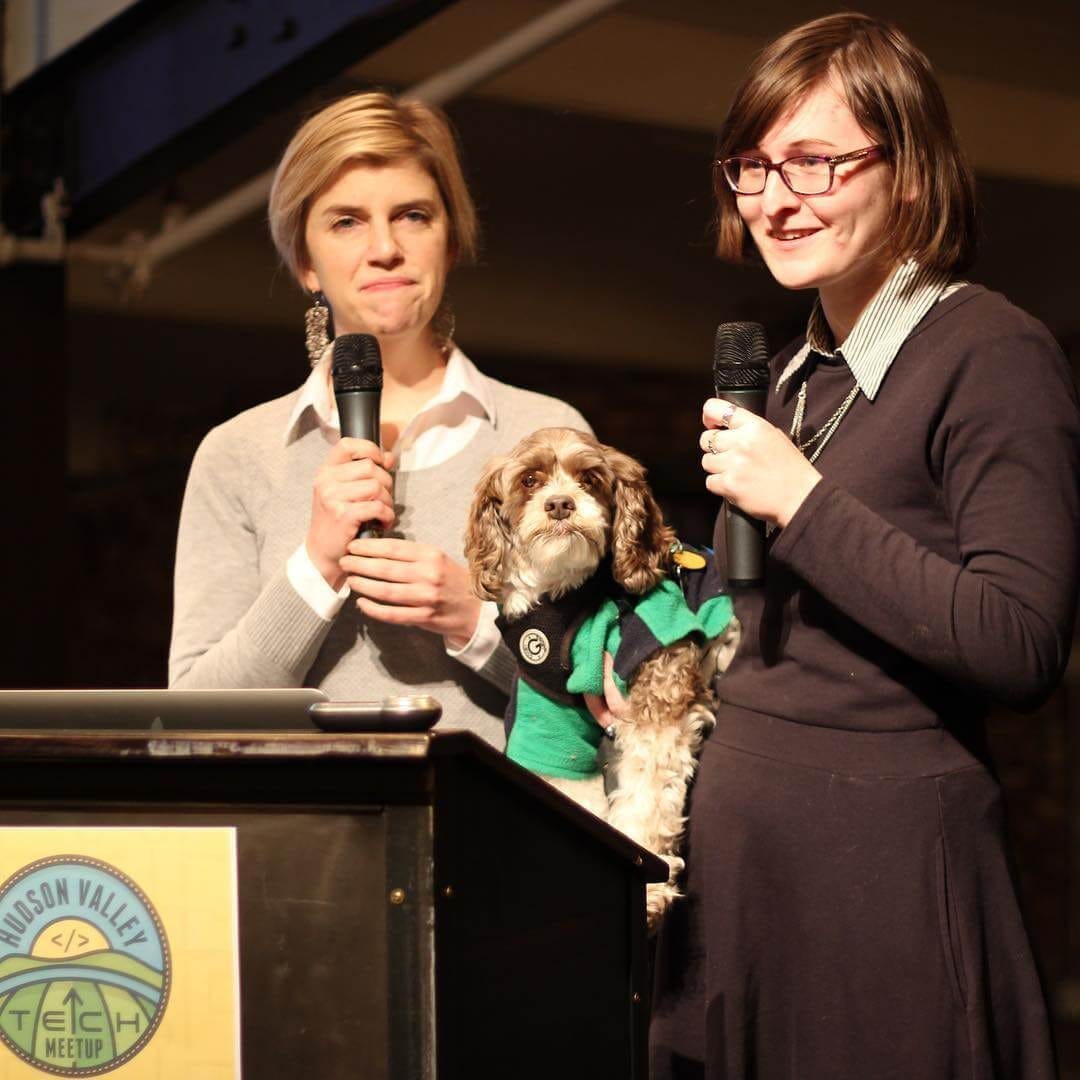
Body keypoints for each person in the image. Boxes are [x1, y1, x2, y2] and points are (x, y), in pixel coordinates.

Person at [646, 13, 1080, 1078]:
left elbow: (1019, 641)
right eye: (752, 167)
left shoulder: (991, 353)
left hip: (878, 890)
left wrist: (805, 503)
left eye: (816, 161)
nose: (776, 199)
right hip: (749, 880)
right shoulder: (795, 378)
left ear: (913, 169)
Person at [169, 92, 588, 747]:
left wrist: (475, 621)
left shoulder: (545, 435)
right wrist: (315, 568)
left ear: (449, 242)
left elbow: (609, 696)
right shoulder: (240, 453)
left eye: (413, 215)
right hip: (304, 842)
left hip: (491, 839)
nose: (385, 248)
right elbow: (192, 727)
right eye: (346, 222)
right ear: (305, 262)